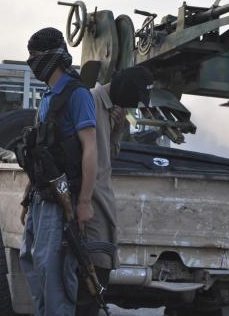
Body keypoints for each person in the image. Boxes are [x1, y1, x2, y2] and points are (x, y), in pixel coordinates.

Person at [19, 27, 98, 316]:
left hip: (62, 201)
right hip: (42, 197)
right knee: (32, 264)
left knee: (53, 274)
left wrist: (85, 202)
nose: (33, 63)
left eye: (36, 57)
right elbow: (41, 153)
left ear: (52, 57)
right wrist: (27, 197)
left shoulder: (77, 95)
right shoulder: (48, 97)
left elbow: (90, 149)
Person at [75, 66, 154, 316]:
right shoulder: (89, 100)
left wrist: (118, 130)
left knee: (100, 272)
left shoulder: (113, 110)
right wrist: (84, 201)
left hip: (103, 201)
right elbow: (83, 154)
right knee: (91, 274)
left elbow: (108, 155)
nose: (133, 105)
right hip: (91, 202)